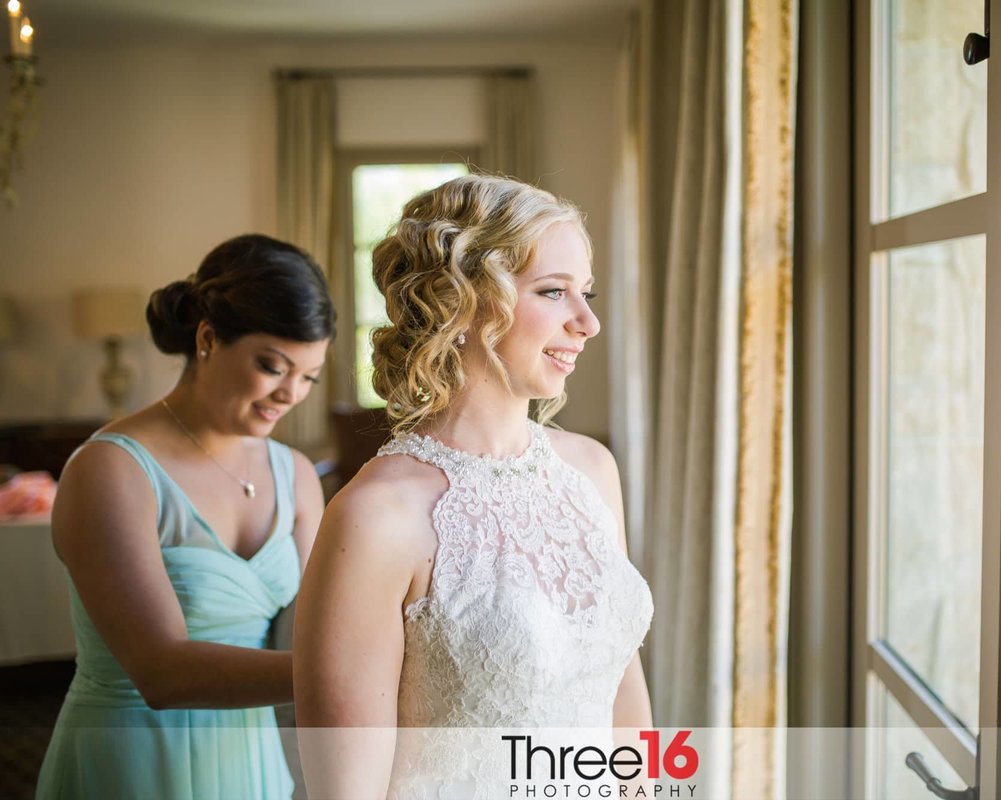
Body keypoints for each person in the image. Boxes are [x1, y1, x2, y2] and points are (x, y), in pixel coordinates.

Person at [293, 175, 654, 798]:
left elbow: (623, 684)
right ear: (461, 304)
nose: (588, 322)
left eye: (586, 293)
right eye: (554, 292)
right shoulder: (377, 517)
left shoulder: (593, 471)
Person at [36, 234, 335, 800]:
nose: (290, 393)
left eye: (309, 376)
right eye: (272, 366)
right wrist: (344, 674)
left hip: (251, 762)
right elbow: (162, 672)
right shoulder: (112, 470)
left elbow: (309, 632)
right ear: (207, 338)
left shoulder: (295, 474)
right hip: (134, 760)